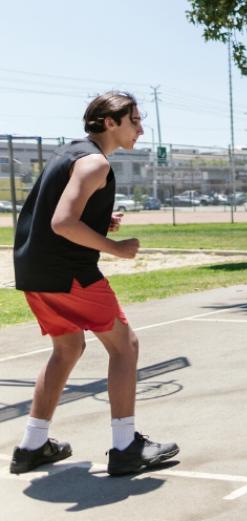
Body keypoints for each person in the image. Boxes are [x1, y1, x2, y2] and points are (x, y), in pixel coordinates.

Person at [9, 92, 179, 476]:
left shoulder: (71, 154)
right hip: (68, 273)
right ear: (109, 122)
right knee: (125, 345)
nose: (140, 128)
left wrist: (102, 223)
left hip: (34, 272)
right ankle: (125, 448)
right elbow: (63, 223)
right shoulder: (95, 164)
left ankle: (32, 445)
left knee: (66, 349)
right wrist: (114, 248)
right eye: (134, 120)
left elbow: (59, 213)